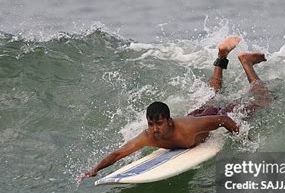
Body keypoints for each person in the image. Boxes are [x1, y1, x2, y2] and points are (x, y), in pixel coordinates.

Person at [81, 36, 270, 180]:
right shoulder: (148, 136)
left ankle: (247, 63)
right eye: (151, 124)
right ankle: (221, 56)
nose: (155, 129)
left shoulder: (188, 129)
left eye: (159, 124)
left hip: (212, 116)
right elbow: (119, 153)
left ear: (169, 121)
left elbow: (223, 120)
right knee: (212, 92)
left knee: (262, 100)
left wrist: (244, 140)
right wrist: (95, 169)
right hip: (196, 115)